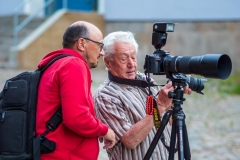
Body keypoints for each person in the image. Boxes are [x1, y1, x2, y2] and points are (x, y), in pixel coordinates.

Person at [94, 31, 192, 160]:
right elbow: (130, 141)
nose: (131, 64)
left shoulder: (144, 80)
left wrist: (173, 99)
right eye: (123, 59)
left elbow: (168, 121)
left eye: (133, 57)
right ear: (107, 62)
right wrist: (160, 106)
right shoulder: (105, 95)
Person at [36, 21, 115, 160]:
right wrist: (105, 130)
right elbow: (76, 118)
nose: (102, 52)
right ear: (81, 44)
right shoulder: (74, 64)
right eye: (99, 45)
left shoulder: (55, 63)